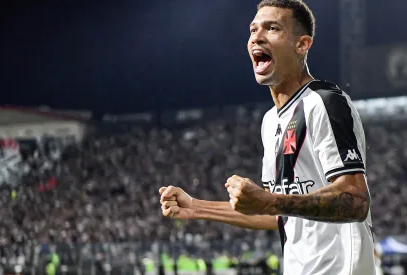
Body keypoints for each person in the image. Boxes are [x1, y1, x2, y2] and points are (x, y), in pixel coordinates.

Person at [158, 0, 376, 274]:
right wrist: (197, 208)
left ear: (302, 44)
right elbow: (278, 213)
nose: (256, 37)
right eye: (252, 30)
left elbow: (356, 200)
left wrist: (270, 200)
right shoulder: (271, 120)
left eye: (272, 28)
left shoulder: (324, 102)